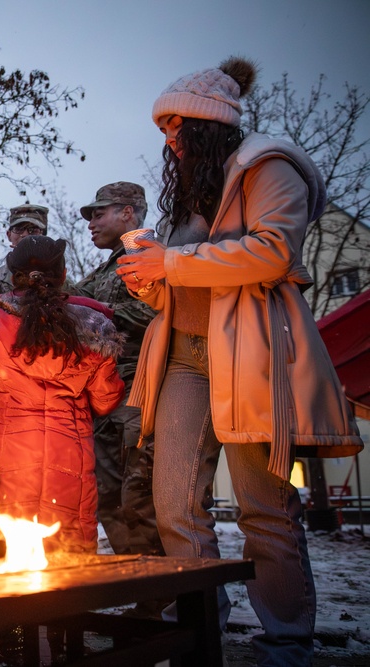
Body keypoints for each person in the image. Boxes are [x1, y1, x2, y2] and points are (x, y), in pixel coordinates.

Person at [117, 56, 363, 665]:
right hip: (181, 360)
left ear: (207, 123)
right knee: (176, 505)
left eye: (176, 128)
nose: (169, 143)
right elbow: (183, 282)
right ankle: (200, 640)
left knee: (265, 510)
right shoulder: (195, 190)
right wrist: (147, 277)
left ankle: (286, 647)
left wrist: (171, 263)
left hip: (250, 358)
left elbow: (273, 252)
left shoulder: (268, 165)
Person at [0, 235, 125, 553]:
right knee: (68, 549)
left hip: (10, 453)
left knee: (14, 551)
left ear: (13, 278)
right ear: (63, 275)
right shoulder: (93, 327)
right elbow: (106, 400)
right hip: (71, 454)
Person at [75, 182, 164, 559]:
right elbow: (74, 298)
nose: (91, 223)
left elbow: (154, 311)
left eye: (99, 213)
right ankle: (141, 590)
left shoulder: (148, 253)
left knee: (140, 496)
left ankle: (166, 597)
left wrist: (98, 317)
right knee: (109, 497)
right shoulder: (109, 265)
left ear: (128, 213)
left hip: (139, 391)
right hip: (106, 395)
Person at [0, 204, 48, 294]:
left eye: (33, 230)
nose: (25, 235)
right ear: (9, 235)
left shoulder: (58, 277)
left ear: (44, 237)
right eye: (19, 229)